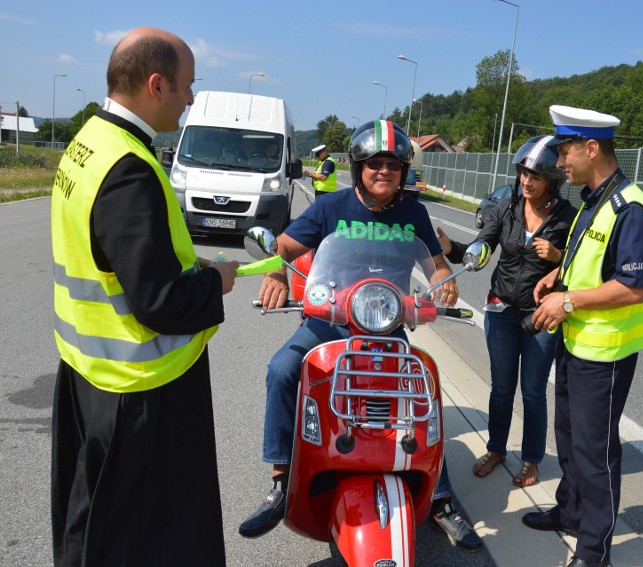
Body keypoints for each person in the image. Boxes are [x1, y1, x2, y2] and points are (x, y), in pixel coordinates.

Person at [239, 120, 483, 552]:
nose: (383, 171)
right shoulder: (330, 206)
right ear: (358, 167)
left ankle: (441, 497)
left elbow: (436, 266)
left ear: (404, 170)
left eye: (392, 164)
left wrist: (446, 281)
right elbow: (283, 248)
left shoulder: (414, 213)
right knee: (281, 369)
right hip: (326, 322)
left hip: (386, 328)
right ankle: (281, 478)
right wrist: (277, 273)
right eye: (374, 163)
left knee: (421, 391)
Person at [50, 27, 238, 567]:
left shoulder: (88, 142)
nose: (191, 100)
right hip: (139, 392)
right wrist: (216, 280)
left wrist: (182, 265)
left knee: (92, 524)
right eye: (187, 88)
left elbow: (113, 257)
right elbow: (158, 303)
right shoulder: (130, 169)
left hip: (88, 373)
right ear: (157, 85)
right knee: (142, 542)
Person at [522, 105, 643, 567]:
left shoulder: (629, 207)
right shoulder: (593, 199)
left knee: (596, 452)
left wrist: (569, 302)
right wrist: (559, 275)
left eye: (564, 151)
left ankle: (594, 551)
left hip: (607, 352)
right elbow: (588, 257)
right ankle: (572, 511)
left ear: (591, 148)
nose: (560, 162)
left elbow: (633, 286)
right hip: (577, 343)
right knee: (570, 436)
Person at [436, 135, 576, 487]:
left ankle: (531, 459)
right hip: (500, 309)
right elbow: (482, 245)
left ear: (553, 181)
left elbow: (584, 264)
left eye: (536, 176)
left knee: (532, 390)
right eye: (523, 173)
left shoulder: (568, 218)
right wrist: (453, 248)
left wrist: (558, 258)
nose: (526, 181)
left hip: (541, 314)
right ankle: (496, 449)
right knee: (501, 387)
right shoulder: (507, 208)